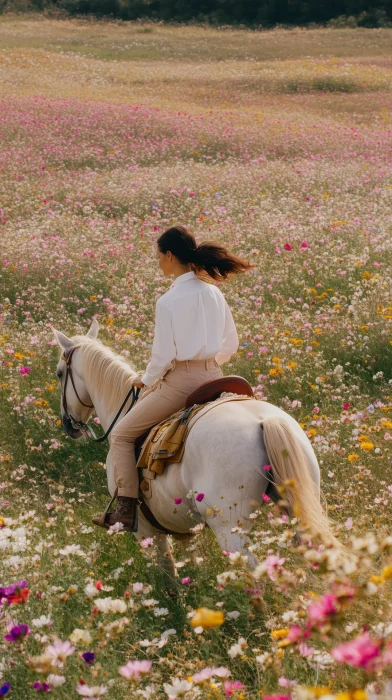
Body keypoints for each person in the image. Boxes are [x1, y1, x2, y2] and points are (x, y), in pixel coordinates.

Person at [93, 225, 253, 532]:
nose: (157, 262)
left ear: (169, 255)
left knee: (122, 436)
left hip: (180, 382)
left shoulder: (168, 301)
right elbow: (230, 343)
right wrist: (208, 365)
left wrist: (147, 378)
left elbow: (164, 356)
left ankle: (125, 509)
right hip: (216, 377)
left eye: (158, 256)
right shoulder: (214, 292)